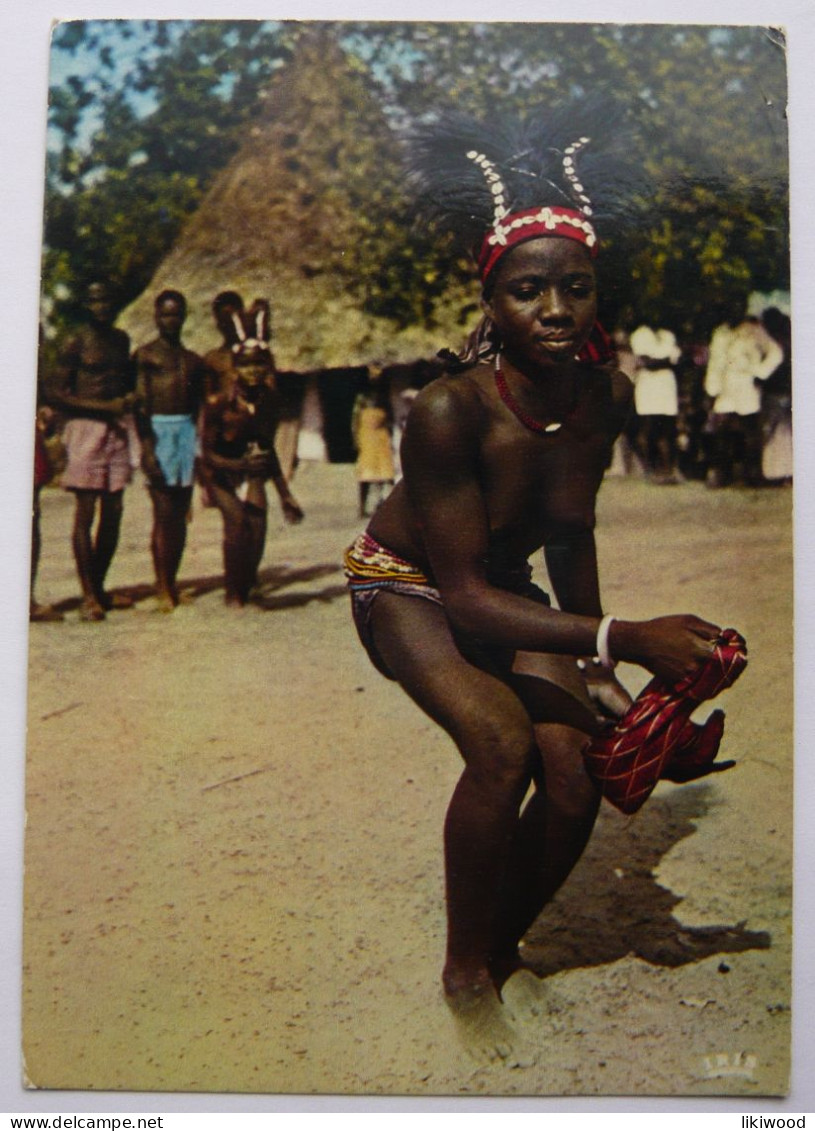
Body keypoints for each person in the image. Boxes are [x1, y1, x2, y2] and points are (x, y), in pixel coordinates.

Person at [344, 106, 727, 1064]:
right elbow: (464, 597)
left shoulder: (592, 399)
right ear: (491, 299)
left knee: (575, 774)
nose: (553, 311)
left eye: (574, 289)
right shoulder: (446, 411)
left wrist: (606, 677)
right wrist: (622, 638)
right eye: (526, 292)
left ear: (596, 292)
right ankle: (464, 974)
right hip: (407, 587)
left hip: (502, 584)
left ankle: (500, 943)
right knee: (501, 742)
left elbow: (570, 532)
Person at [200, 300, 304, 606]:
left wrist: (285, 494)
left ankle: (246, 583)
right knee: (237, 526)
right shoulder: (220, 404)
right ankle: (233, 591)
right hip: (219, 470)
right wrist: (236, 464)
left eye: (260, 363)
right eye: (246, 364)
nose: (254, 370)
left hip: (250, 466)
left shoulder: (269, 401)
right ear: (235, 368)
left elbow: (266, 448)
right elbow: (206, 455)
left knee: (258, 528)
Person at [50, 281, 138, 621]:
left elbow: (125, 383)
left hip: (117, 428)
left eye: (109, 300)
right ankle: (88, 595)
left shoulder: (121, 340)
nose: (103, 306)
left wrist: (127, 400)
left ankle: (100, 587)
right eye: (96, 300)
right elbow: (56, 393)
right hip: (85, 428)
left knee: (114, 509)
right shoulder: (75, 341)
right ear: (86, 304)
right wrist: (102, 406)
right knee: (85, 512)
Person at [134, 290, 206, 611]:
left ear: (184, 316)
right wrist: (148, 448)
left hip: (186, 432)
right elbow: (140, 406)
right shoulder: (145, 356)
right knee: (163, 513)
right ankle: (162, 585)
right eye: (165, 314)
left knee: (179, 514)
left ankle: (172, 581)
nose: (171, 320)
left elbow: (199, 405)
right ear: (155, 316)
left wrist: (198, 445)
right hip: (157, 431)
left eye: (176, 314)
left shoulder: (193, 361)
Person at [703, 306, 783, 487]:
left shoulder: (754, 330)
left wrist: (760, 372)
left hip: (747, 384)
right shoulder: (720, 333)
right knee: (722, 431)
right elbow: (715, 362)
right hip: (725, 386)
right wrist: (712, 389)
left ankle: (752, 475)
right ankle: (722, 474)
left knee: (751, 431)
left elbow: (776, 352)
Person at [629, 323, 682, 483]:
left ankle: (669, 469)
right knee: (650, 427)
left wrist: (660, 361)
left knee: (669, 429)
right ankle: (651, 469)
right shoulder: (640, 334)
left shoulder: (667, 334)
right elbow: (646, 363)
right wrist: (665, 360)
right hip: (648, 385)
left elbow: (676, 359)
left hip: (666, 385)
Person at [351, 370, 396, 517]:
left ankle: (382, 503)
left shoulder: (384, 397)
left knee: (385, 473)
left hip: (381, 436)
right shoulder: (362, 397)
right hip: (366, 436)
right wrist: (356, 438)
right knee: (365, 474)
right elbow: (355, 419)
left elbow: (390, 417)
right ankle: (362, 507)